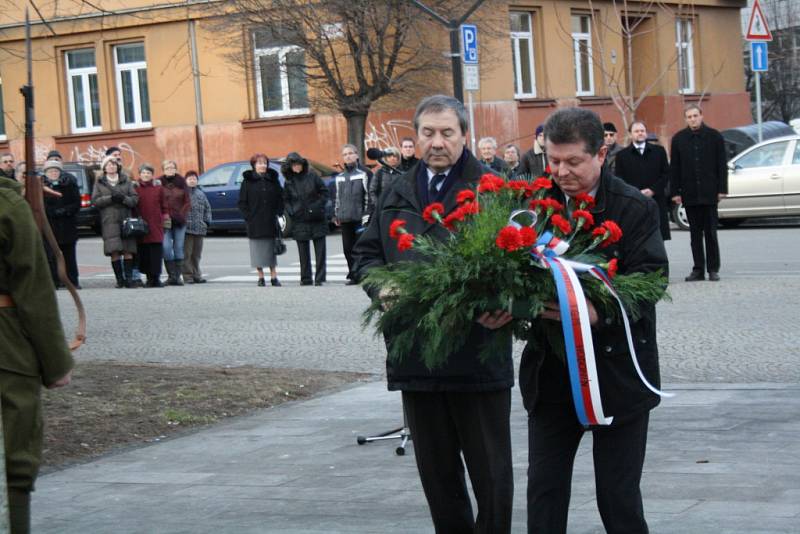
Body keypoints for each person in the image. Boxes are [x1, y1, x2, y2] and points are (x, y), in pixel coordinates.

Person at [353, 94, 515, 533]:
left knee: (491, 476)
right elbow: (365, 254)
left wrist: (507, 306)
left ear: (465, 135)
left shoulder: (491, 188)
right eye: (428, 133)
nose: (437, 142)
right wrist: (379, 285)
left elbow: (524, 263)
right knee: (438, 476)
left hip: (477, 353)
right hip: (416, 355)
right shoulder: (396, 190)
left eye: (447, 132)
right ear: (416, 137)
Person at [520, 107, 668, 534]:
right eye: (553, 160)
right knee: (544, 496)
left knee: (618, 499)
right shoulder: (534, 206)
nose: (561, 171)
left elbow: (652, 281)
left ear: (600, 154)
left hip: (619, 374)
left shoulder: (633, 208)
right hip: (550, 377)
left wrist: (599, 311)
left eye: (573, 162)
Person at [1, 166, 74, 534]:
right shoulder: (7, 206)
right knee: (15, 453)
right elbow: (33, 288)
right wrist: (56, 361)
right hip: (5, 348)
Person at [670, 104, 728, 282]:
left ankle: (712, 268)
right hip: (689, 192)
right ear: (685, 119)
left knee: (711, 232)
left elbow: (721, 165)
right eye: (689, 117)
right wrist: (675, 191)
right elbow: (675, 168)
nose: (693, 119)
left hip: (709, 192)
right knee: (694, 234)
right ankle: (698, 269)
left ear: (701, 116)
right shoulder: (679, 139)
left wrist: (722, 189)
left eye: (695, 115)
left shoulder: (715, 136)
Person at [615, 121, 672, 240]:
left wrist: (652, 190)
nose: (640, 133)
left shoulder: (659, 151)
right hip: (633, 203)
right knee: (636, 239)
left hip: (656, 201)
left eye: (642, 131)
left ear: (646, 133)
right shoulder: (622, 155)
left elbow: (666, 174)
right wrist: (635, 192)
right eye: (636, 131)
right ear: (630, 134)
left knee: (658, 239)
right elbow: (619, 178)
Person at [91, 155, 139, 288]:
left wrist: (123, 198)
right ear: (104, 168)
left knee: (128, 250)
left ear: (117, 166)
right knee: (114, 250)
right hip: (109, 220)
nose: (111, 167)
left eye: (113, 164)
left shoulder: (126, 180)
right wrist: (110, 198)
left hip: (125, 219)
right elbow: (95, 201)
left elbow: (134, 199)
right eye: (108, 165)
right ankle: (120, 280)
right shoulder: (99, 182)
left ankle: (129, 279)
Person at [282, 152, 328, 286]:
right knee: (303, 252)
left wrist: (317, 206)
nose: (296, 167)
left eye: (298, 164)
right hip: (299, 219)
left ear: (302, 164)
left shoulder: (312, 176)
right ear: (289, 167)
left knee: (320, 251)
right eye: (293, 165)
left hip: (317, 218)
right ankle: (306, 278)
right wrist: (292, 211)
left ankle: (320, 278)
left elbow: (324, 192)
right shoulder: (289, 182)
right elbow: (286, 200)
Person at [238, 153, 284, 287]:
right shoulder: (247, 182)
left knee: (271, 250)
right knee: (257, 251)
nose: (262, 165)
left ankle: (274, 277)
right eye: (259, 163)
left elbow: (280, 197)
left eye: (264, 163)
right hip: (255, 222)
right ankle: (261, 277)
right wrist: (249, 217)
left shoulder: (273, 180)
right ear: (254, 165)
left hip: (270, 220)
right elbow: (242, 202)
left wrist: (279, 211)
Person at [334, 144, 371, 285]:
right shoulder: (340, 177)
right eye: (345, 154)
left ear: (356, 155)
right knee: (347, 249)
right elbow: (338, 197)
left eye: (350, 153)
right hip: (345, 218)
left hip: (359, 218)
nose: (348, 156)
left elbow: (368, 196)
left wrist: (366, 215)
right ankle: (353, 274)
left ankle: (361, 274)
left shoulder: (363, 174)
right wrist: (336, 214)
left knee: (359, 248)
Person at [42, 159, 81, 289]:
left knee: (70, 256)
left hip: (67, 224)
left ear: (60, 172)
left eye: (56, 170)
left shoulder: (69, 184)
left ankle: (73, 281)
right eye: (50, 171)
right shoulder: (42, 186)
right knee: (51, 256)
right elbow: (40, 205)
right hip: (50, 226)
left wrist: (65, 210)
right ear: (46, 173)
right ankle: (54, 282)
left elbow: (76, 203)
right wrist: (51, 211)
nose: (53, 173)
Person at [135, 164, 169, 288]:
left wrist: (165, 217)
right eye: (144, 173)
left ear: (152, 175)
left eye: (148, 173)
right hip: (141, 225)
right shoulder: (135, 188)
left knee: (156, 253)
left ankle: (156, 278)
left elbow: (164, 204)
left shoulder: (158, 188)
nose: (146, 175)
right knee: (144, 253)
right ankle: (149, 279)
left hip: (156, 223)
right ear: (140, 174)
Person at [158, 160, 190, 286]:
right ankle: (171, 275)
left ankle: (178, 277)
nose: (170, 169)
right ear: (163, 169)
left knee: (178, 247)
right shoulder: (159, 182)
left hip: (179, 220)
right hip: (165, 220)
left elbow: (187, 201)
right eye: (167, 167)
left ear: (176, 169)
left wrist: (181, 215)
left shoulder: (181, 182)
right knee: (166, 247)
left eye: (172, 167)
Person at [182, 170, 212, 284]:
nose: (192, 180)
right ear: (186, 181)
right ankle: (188, 276)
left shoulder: (201, 193)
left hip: (200, 228)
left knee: (196, 255)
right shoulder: (183, 193)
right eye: (190, 179)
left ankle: (197, 275)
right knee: (187, 254)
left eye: (194, 179)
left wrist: (207, 221)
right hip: (187, 229)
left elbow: (207, 208)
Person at [367, 146, 403, 216]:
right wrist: (378, 205)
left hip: (399, 210)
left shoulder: (402, 173)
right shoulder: (379, 173)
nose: (392, 158)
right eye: (389, 156)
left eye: (395, 156)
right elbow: (372, 191)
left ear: (398, 158)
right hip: (382, 210)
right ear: (386, 158)